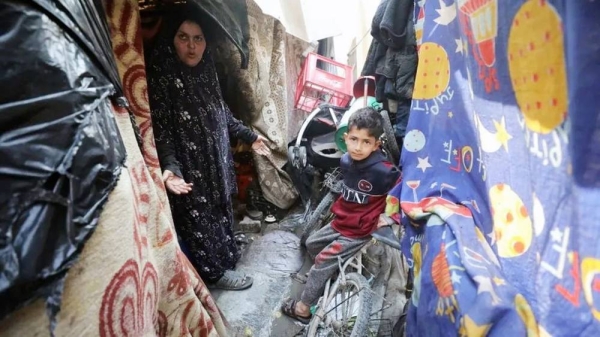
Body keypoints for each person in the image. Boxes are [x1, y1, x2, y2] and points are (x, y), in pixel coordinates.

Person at [146, 11, 271, 290]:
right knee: (199, 221)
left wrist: (249, 136)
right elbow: (161, 130)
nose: (192, 46)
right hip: (190, 167)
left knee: (222, 210)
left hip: (216, 161)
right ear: (171, 40)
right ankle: (215, 274)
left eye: (198, 39)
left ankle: (226, 256)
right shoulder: (163, 78)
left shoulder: (206, 71)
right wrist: (171, 168)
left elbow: (221, 112)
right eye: (183, 38)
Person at [281, 107, 401, 322]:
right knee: (312, 244)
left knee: (321, 262)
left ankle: (303, 309)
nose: (358, 147)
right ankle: (327, 273)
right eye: (354, 139)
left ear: (376, 145)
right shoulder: (346, 160)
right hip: (341, 220)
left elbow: (400, 189)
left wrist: (390, 216)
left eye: (366, 142)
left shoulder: (383, 171)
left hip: (360, 230)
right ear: (345, 138)